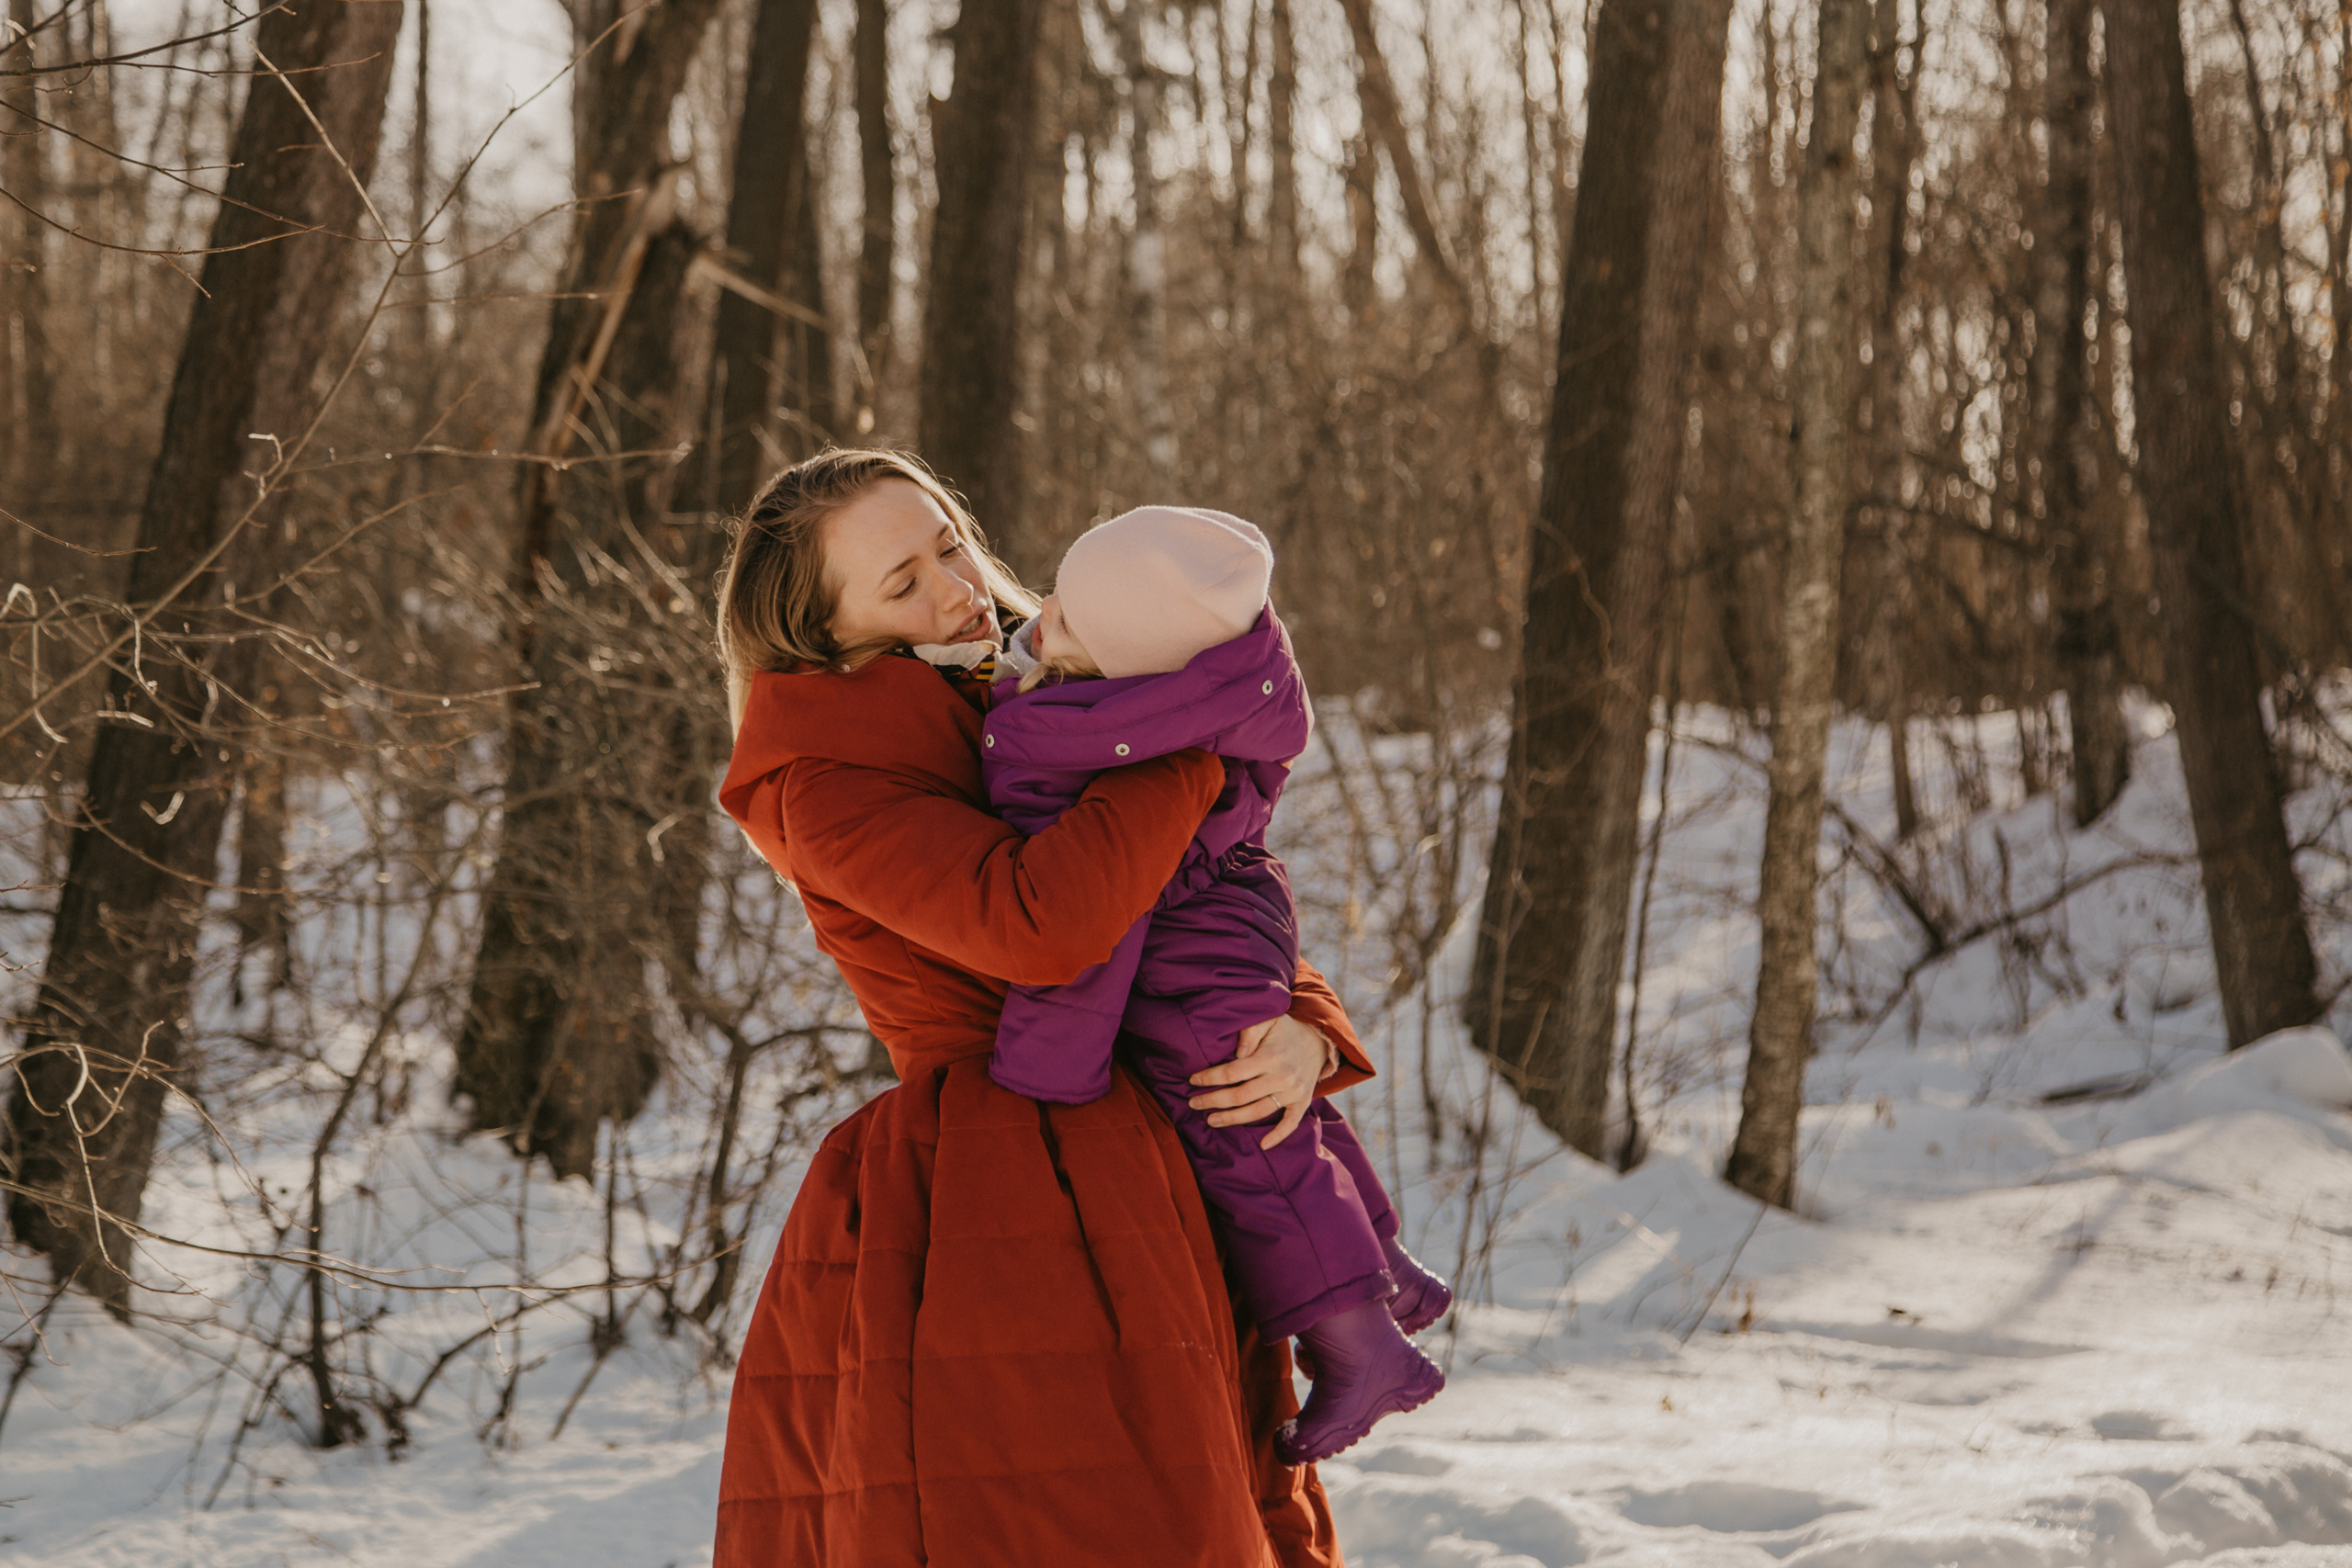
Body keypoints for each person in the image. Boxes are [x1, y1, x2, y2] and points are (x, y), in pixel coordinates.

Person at [710, 449, 1383, 1568]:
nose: (958, 587)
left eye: (948, 545)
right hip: (995, 1189)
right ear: (827, 639)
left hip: (1166, 1150)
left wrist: (1308, 1029)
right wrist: (1179, 734)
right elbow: (1041, 926)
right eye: (903, 583)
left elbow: (1208, 893)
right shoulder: (821, 780)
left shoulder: (1039, 680)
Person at [979, 505, 1449, 1464]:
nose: (1038, 625)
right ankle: (1382, 1265)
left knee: (1243, 1126)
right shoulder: (1172, 699)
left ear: (1127, 677)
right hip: (1227, 915)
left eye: (1068, 627)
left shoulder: (1120, 746)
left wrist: (1046, 1065)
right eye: (1055, 598)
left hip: (1191, 946)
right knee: (1274, 1103)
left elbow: (1097, 912)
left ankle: (1362, 1349)